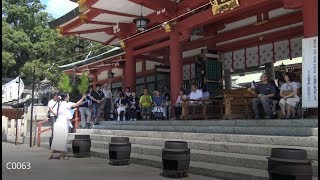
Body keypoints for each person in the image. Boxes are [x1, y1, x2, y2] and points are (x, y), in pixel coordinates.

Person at [49, 93, 86, 160]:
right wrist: (83, 98)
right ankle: (62, 155)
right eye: (68, 96)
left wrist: (80, 102)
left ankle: (51, 154)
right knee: (63, 139)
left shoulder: (58, 103)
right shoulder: (66, 103)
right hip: (63, 122)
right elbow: (76, 104)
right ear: (66, 98)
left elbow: (57, 112)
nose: (68, 97)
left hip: (58, 121)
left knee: (56, 138)